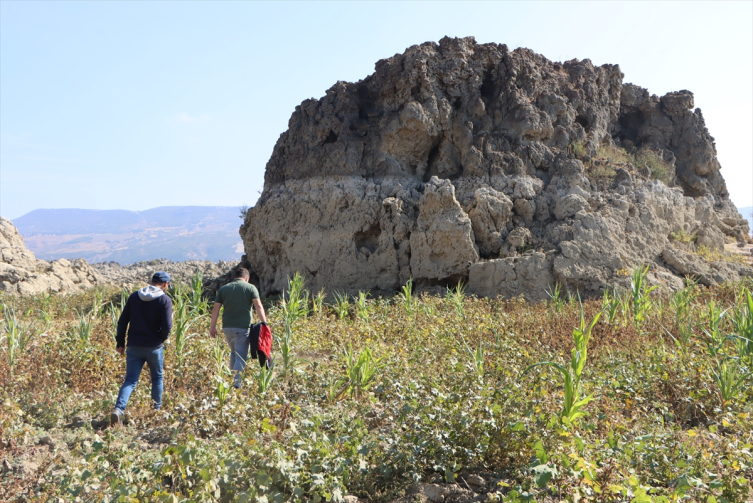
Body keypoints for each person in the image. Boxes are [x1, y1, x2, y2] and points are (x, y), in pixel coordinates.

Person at [111, 271, 173, 426]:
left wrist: (120, 343)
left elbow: (122, 321)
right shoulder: (165, 300)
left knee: (130, 380)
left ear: (151, 281)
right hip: (154, 347)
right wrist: (161, 339)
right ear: (165, 284)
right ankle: (155, 411)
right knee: (157, 378)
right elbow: (167, 326)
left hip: (134, 345)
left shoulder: (134, 296)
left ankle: (118, 410)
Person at [209, 267, 268, 388]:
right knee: (241, 357)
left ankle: (232, 380)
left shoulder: (224, 289)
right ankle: (236, 385)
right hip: (242, 328)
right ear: (246, 278)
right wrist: (264, 323)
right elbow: (258, 305)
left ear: (234, 277)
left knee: (234, 354)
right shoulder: (250, 287)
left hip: (227, 328)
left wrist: (212, 327)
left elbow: (216, 308)